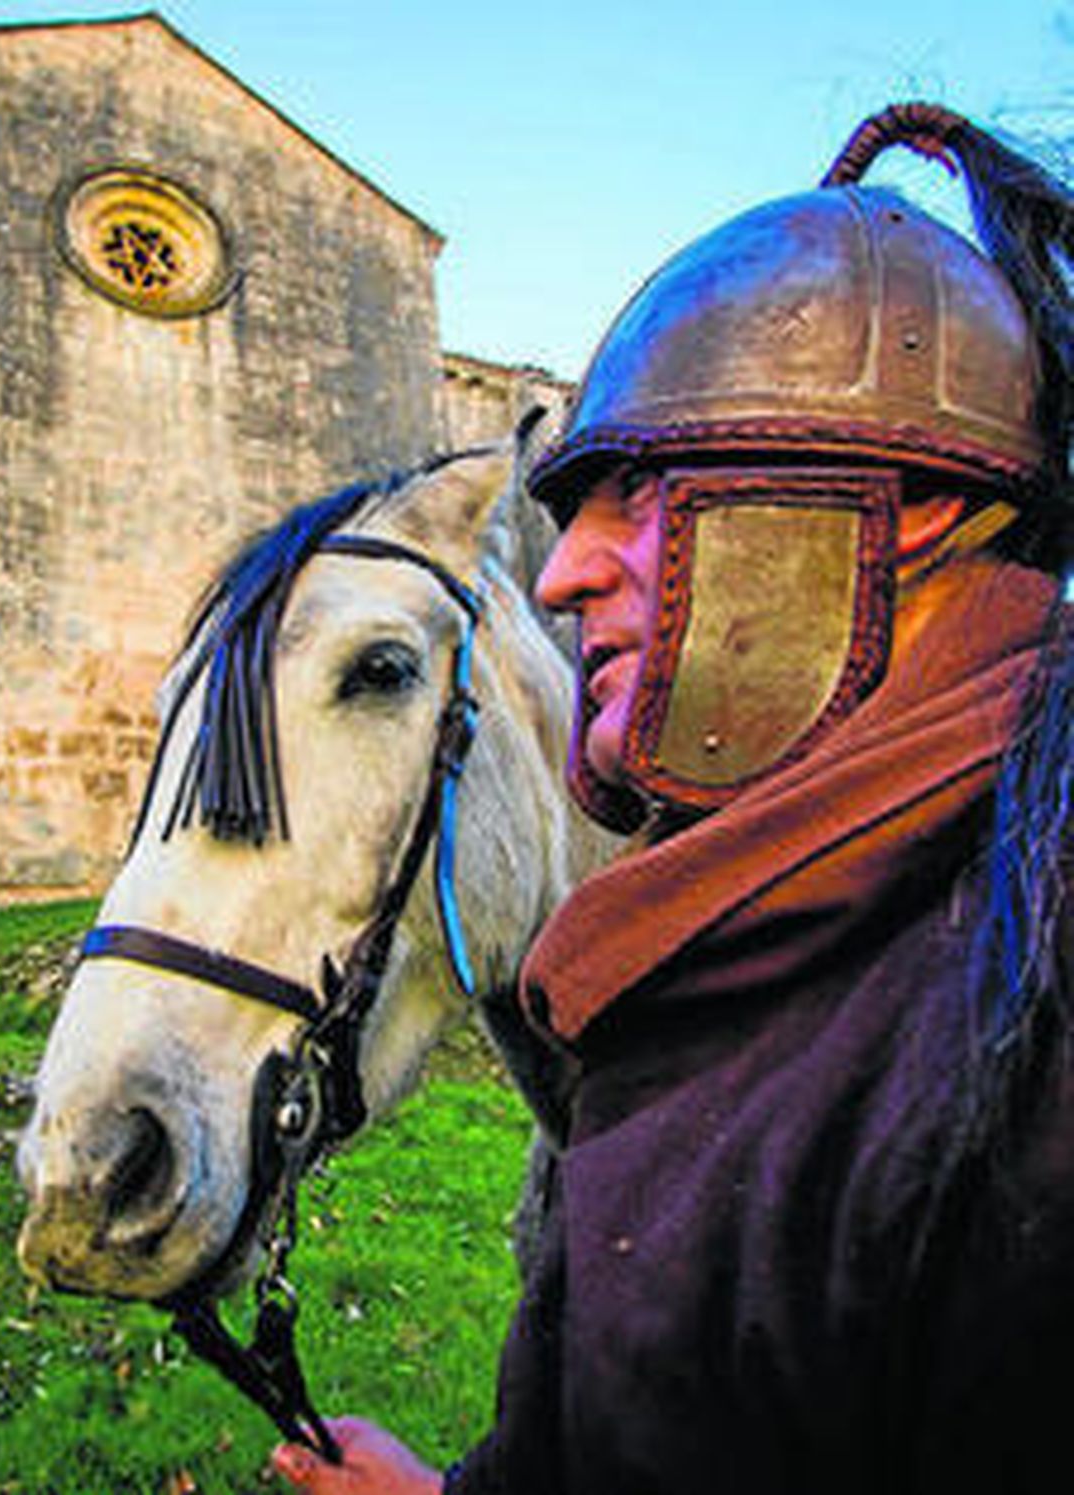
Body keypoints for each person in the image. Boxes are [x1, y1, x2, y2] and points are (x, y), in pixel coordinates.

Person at [271, 104, 1073, 1493]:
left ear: (912, 504)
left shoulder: (1032, 1010)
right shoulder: (785, 901)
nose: (566, 573)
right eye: (573, 502)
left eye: (641, 489)